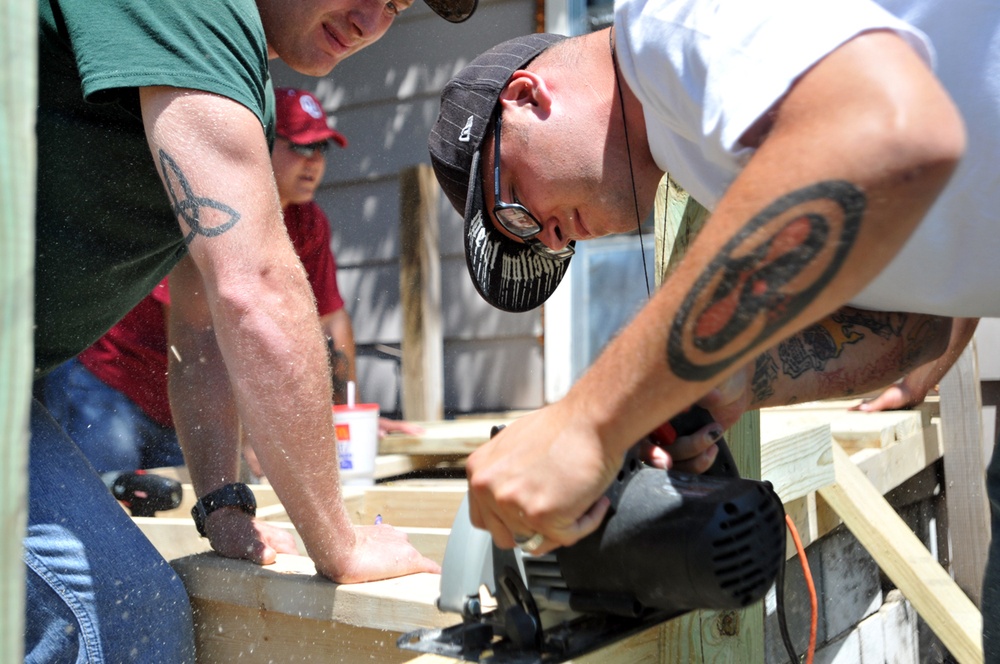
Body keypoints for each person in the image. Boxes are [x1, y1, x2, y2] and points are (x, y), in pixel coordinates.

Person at [426, 0, 1000, 655]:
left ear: (527, 97)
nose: (549, 236)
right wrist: (722, 377)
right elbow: (918, 327)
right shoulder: (719, 147)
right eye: (539, 243)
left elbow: (890, 132)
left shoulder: (665, 17)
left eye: (515, 207)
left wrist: (590, 418)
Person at [30, 0, 475, 660]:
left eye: (397, 5)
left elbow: (202, 324)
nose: (372, 24)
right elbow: (254, 289)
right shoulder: (195, 10)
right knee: (125, 624)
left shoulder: (236, 82)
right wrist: (340, 541)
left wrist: (223, 503)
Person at [40, 87, 419, 476]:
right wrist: (247, 430)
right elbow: (198, 334)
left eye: (323, 148)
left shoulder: (307, 223)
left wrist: (341, 414)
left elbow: (330, 322)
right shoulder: (211, 208)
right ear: (261, 142)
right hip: (111, 385)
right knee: (102, 518)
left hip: (185, 397)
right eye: (302, 147)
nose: (315, 162)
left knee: (188, 523)